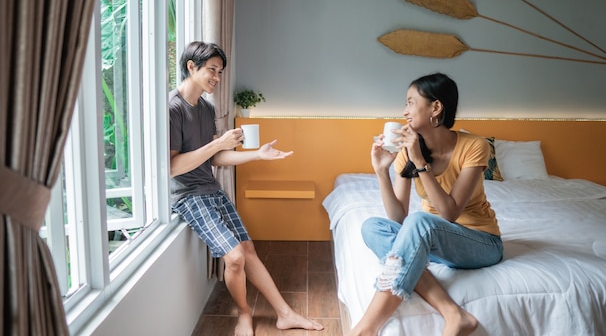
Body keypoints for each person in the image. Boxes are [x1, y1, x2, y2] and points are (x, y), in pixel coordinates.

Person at [169, 41, 323, 336]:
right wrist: (219, 142)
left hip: (210, 188)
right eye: (212, 70)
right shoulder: (173, 108)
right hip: (188, 196)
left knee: (248, 249)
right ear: (191, 66)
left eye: (220, 72)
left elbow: (216, 158)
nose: (217, 77)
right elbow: (173, 167)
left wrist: (256, 154)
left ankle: (285, 314)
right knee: (235, 257)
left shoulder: (206, 107)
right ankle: (243, 313)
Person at [347, 73, 503, 336]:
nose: (404, 111)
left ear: (436, 107)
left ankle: (366, 329)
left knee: (420, 221)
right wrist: (382, 171)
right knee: (372, 227)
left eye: (410, 102)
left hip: (481, 242)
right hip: (432, 240)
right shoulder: (406, 151)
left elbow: (449, 213)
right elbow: (398, 218)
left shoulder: (474, 146)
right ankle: (454, 313)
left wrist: (420, 163)